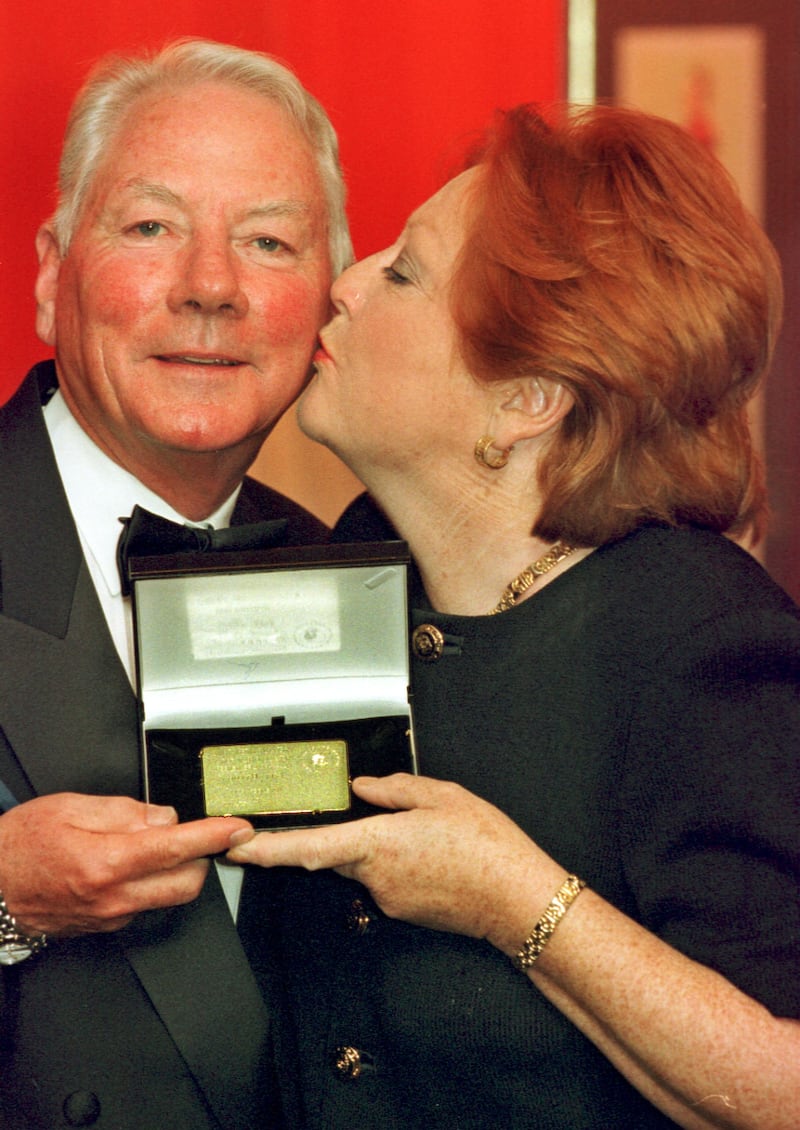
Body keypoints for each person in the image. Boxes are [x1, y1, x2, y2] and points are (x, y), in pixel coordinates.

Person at [228, 103, 800, 1128]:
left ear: (525, 395)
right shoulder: (344, 569)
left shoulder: (695, 636)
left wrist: (516, 900)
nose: (344, 284)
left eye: (402, 272)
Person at [0, 37, 351, 1129]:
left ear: (328, 303)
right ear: (53, 272)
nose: (210, 287)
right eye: (150, 227)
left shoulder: (353, 574)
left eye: (268, 241)